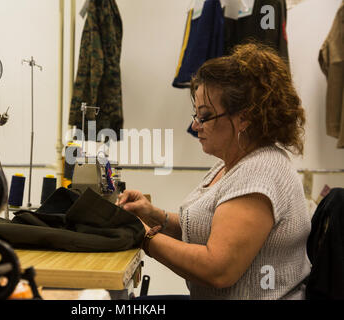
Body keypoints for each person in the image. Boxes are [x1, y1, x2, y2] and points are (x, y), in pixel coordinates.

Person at [116, 43, 311, 300]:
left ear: (244, 117)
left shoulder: (260, 174)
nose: (195, 125)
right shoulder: (231, 163)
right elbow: (207, 227)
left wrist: (143, 236)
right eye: (195, 114)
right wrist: (155, 216)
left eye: (205, 116)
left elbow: (218, 270)